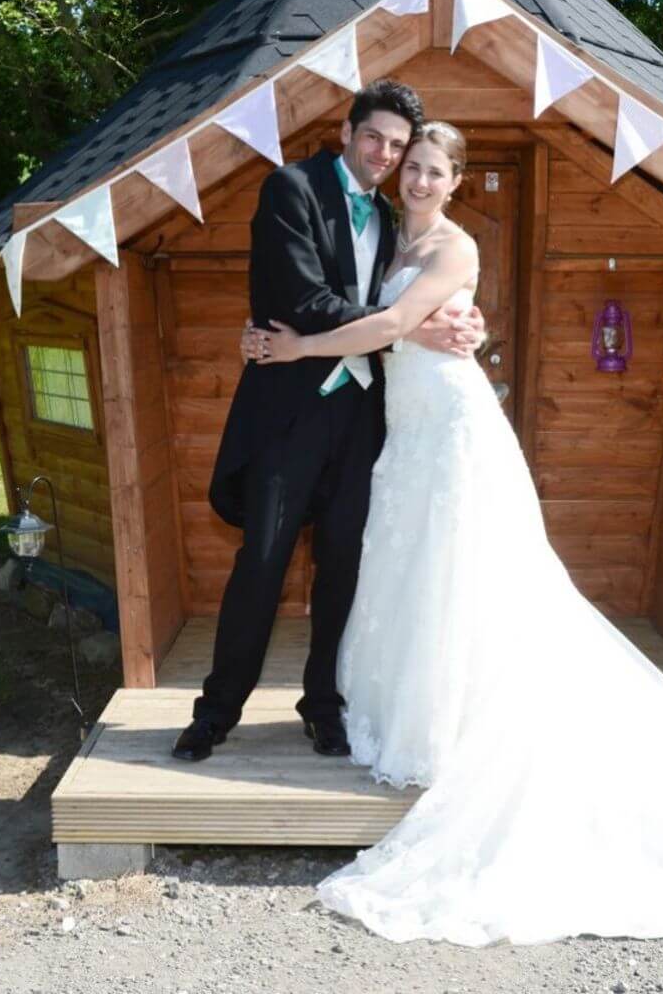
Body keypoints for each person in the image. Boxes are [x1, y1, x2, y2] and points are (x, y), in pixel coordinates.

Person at [248, 121, 663, 946]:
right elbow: (385, 315)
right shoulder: (389, 234)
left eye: (438, 170)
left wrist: (302, 346)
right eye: (415, 167)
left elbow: (387, 322)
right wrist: (410, 326)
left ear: (458, 179)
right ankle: (407, 713)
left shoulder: (455, 248)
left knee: (464, 573)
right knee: (410, 573)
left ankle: (462, 727)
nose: (422, 180)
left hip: (451, 423)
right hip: (404, 428)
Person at [171, 82, 486, 764]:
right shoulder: (292, 189)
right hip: (289, 413)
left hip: (365, 419)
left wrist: (439, 324)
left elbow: (421, 294)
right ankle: (215, 714)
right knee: (261, 563)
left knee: (345, 566)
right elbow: (302, 297)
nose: (387, 154)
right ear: (346, 131)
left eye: (400, 147)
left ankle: (324, 706)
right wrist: (408, 331)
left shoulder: (396, 218)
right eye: (375, 137)